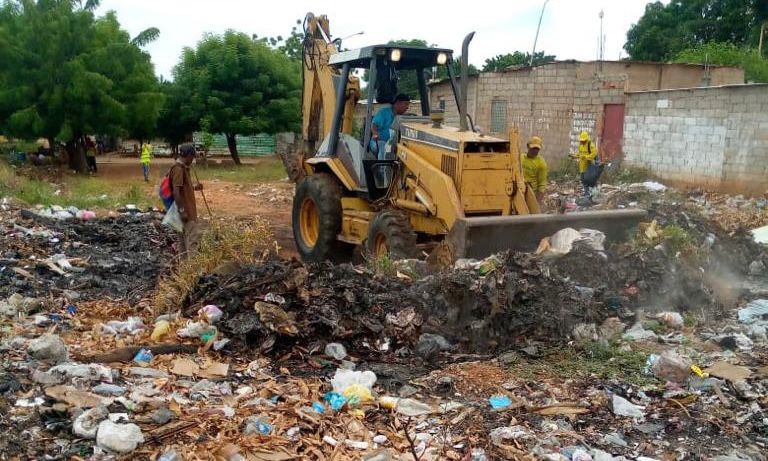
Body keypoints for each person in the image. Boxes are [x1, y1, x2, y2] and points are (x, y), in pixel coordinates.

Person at [169, 143, 204, 258]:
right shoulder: (178, 169)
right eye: (192, 157)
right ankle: (193, 271)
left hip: (183, 212)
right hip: (186, 213)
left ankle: (185, 272)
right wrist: (182, 210)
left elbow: (182, 189)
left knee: (183, 243)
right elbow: (176, 191)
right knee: (192, 242)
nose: (192, 160)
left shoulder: (183, 168)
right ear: (188, 155)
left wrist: (194, 188)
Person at [371, 93, 410, 159]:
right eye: (405, 104)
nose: (407, 107)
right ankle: (383, 167)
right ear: (398, 103)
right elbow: (374, 125)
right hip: (378, 143)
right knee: (384, 146)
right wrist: (375, 134)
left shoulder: (402, 118)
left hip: (392, 144)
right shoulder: (384, 112)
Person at [520, 136, 548, 209]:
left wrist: (537, 203)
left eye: (537, 149)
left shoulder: (541, 163)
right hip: (518, 191)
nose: (535, 151)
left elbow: (542, 184)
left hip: (531, 194)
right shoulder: (520, 158)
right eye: (533, 148)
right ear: (528, 147)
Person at [570, 131, 599, 198]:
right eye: (581, 140)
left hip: (589, 166)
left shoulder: (590, 145)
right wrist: (574, 156)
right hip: (582, 166)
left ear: (586, 139)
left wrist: (586, 157)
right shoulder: (580, 145)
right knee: (583, 180)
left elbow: (594, 154)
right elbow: (579, 154)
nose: (582, 142)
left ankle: (593, 192)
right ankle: (587, 193)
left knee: (588, 179)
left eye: (583, 140)